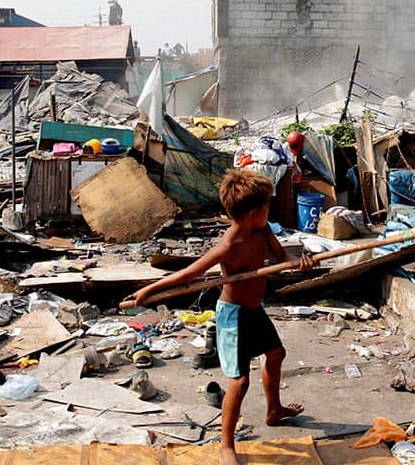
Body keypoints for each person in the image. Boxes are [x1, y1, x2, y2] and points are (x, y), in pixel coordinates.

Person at [131, 170, 314, 465]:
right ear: (254, 213)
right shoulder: (228, 246)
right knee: (240, 382)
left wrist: (299, 263)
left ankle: (273, 410)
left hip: (255, 309)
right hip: (233, 316)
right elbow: (190, 273)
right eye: (267, 206)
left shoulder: (263, 230)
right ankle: (226, 445)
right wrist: (149, 289)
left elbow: (282, 259)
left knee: (276, 353)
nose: (270, 210)